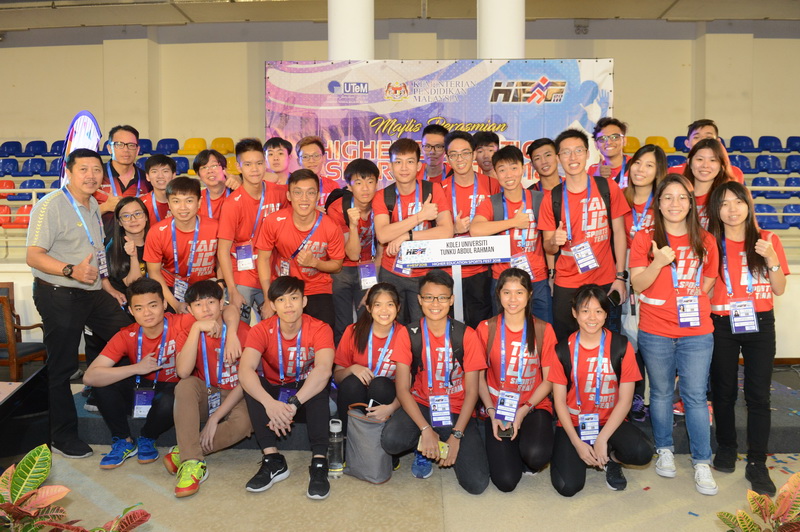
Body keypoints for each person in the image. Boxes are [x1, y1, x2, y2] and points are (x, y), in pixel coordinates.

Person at [27, 148, 134, 459]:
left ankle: (110, 399)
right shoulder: (50, 205)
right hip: (59, 293)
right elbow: (33, 255)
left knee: (128, 334)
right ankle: (61, 435)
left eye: (96, 169)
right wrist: (70, 270)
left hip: (93, 291)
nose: (91, 175)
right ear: (69, 172)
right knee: (63, 367)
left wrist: (105, 284)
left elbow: (95, 250)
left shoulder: (92, 205)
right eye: (84, 169)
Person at [629, 173, 720, 496]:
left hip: (696, 332)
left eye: (682, 197)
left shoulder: (706, 240)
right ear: (658, 204)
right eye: (667, 197)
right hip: (655, 330)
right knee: (661, 393)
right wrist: (658, 263)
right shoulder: (645, 239)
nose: (674, 203)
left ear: (691, 203)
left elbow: (708, 282)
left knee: (695, 396)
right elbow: (637, 285)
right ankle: (664, 449)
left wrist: (687, 298)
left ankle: (702, 461)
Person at [707, 181, 789, 497]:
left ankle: (757, 461)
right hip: (721, 322)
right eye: (724, 203)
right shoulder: (709, 241)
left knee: (758, 395)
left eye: (738, 201)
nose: (732, 209)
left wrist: (772, 259)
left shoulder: (768, 239)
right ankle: (727, 446)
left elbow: (779, 288)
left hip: (760, 323)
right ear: (716, 209)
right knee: (723, 390)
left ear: (748, 205)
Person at [381, 270, 489, 495]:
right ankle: (424, 445)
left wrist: (457, 436)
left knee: (476, 484)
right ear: (419, 300)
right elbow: (402, 389)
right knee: (391, 440)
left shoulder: (466, 335)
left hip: (456, 409)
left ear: (451, 300)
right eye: (429, 297)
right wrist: (425, 429)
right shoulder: (408, 334)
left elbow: (472, 392)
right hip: (422, 404)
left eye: (442, 297)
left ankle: (447, 440)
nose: (435, 303)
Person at [545, 284, 652, 496]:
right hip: (575, 423)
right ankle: (585, 450)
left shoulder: (621, 346)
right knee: (568, 487)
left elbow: (625, 401)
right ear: (574, 313)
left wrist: (602, 439)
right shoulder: (562, 349)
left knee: (642, 452)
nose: (592, 318)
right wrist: (577, 443)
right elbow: (559, 402)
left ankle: (612, 458)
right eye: (585, 311)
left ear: (605, 314)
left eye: (598, 311)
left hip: (610, 421)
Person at [237, 276, 335, 500]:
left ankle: (320, 462)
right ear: (272, 305)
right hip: (276, 392)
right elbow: (244, 370)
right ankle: (273, 459)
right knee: (253, 384)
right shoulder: (261, 329)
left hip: (304, 394)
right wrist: (270, 404)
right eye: (281, 300)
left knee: (318, 384)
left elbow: (324, 369)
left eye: (294, 298)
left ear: (304, 301)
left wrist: (293, 405)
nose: (288, 305)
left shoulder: (320, 328)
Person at [82, 278, 195, 469]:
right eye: (139, 308)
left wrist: (202, 326)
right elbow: (89, 377)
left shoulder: (182, 322)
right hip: (140, 387)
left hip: (170, 391)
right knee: (102, 382)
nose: (147, 313)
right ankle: (123, 440)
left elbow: (224, 311)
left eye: (153, 305)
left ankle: (147, 437)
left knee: (175, 395)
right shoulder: (126, 334)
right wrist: (137, 368)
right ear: (131, 311)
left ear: (164, 304)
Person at [540, 129, 630, 341]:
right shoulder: (552, 198)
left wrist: (620, 276)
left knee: (608, 343)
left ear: (588, 154)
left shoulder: (607, 187)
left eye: (578, 150)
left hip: (605, 280)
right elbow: (548, 247)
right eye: (566, 152)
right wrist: (554, 241)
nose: (573, 157)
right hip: (567, 283)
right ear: (558, 158)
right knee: (566, 343)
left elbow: (619, 233)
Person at [168, 280, 253, 498]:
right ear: (190, 310)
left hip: (236, 393)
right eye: (198, 305)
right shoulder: (188, 332)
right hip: (207, 392)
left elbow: (246, 381)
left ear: (221, 303)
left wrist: (215, 419)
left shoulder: (243, 331)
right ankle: (192, 461)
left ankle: (184, 450)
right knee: (185, 386)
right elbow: (183, 372)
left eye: (211, 302)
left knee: (245, 422)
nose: (205, 309)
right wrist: (196, 329)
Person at [476, 268, 556, 492]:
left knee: (536, 456)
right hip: (497, 408)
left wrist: (522, 411)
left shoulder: (543, 329)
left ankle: (529, 440)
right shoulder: (486, 329)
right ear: (498, 294)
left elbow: (549, 380)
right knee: (506, 481)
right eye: (507, 292)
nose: (513, 299)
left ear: (529, 294)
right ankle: (507, 443)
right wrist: (491, 412)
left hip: (533, 405)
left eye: (519, 292)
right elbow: (479, 379)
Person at [373, 138, 454, 324]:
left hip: (425, 272)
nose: (404, 168)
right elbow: (383, 235)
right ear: (390, 166)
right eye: (398, 162)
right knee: (392, 327)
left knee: (423, 328)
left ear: (418, 166)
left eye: (409, 162)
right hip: (392, 271)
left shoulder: (432, 190)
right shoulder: (383, 196)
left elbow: (446, 231)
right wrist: (420, 216)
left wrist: (407, 236)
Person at [255, 169, 345, 328]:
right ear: (289, 196)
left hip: (318, 288)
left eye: (310, 193)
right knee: (276, 336)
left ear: (318, 196)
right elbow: (263, 259)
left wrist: (315, 263)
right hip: (284, 286)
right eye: (298, 192)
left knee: (324, 333)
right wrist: (268, 298)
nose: (304, 198)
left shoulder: (331, 226)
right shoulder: (273, 221)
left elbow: (337, 265)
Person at [471, 146, 550, 322]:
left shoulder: (539, 199)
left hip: (536, 278)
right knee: (503, 331)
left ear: (523, 168)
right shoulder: (491, 203)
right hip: (502, 280)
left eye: (513, 168)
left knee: (542, 330)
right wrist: (513, 222)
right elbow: (475, 230)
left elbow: (548, 239)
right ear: (495, 173)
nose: (508, 175)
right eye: (502, 170)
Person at [620, 144, 668, 422]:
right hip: (623, 274)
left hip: (654, 273)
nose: (641, 169)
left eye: (649, 165)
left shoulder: (663, 201)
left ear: (658, 171)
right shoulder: (619, 198)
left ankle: (657, 396)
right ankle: (635, 395)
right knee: (628, 336)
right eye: (638, 163)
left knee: (653, 334)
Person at [217, 138, 288, 324]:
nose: (254, 169)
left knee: (275, 329)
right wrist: (232, 290)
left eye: (259, 163)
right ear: (238, 167)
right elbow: (223, 250)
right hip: (242, 278)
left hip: (272, 274)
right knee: (241, 328)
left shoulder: (280, 193)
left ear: (265, 164)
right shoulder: (232, 204)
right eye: (248, 164)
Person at [441, 131, 500, 328]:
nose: (460, 159)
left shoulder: (492, 185)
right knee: (450, 329)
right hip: (448, 269)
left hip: (482, 270)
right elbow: (433, 231)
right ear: (447, 158)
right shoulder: (439, 189)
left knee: (481, 327)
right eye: (454, 154)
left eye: (465, 153)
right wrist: (453, 229)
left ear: (474, 154)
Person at [333, 283, 401, 437]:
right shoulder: (353, 331)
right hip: (357, 395)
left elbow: (409, 385)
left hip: (388, 399)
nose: (384, 310)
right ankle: (348, 439)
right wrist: (352, 369)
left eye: (390, 304)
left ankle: (380, 441)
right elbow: (337, 377)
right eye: (378, 305)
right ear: (369, 308)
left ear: (398, 307)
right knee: (351, 383)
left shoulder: (405, 335)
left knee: (380, 384)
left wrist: (392, 407)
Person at [327, 158, 383, 343]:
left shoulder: (383, 205)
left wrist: (375, 280)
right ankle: (341, 359)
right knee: (342, 322)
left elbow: (382, 248)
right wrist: (353, 225)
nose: (365, 188)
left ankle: (364, 356)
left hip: (369, 267)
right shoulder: (338, 208)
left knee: (366, 319)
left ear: (377, 183)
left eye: (370, 182)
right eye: (358, 183)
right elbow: (351, 254)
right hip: (342, 268)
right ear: (349, 186)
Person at [144, 176, 219, 314]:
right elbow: (154, 271)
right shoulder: (157, 232)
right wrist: (175, 304)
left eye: (189, 201)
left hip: (207, 286)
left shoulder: (215, 227)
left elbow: (222, 261)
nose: (183, 207)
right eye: (176, 201)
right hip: (170, 288)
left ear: (199, 202)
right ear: (169, 203)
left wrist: (220, 286)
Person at [96, 125, 151, 220]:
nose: (126, 150)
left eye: (131, 145)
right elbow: (79, 215)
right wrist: (105, 207)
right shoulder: (95, 175)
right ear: (109, 148)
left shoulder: (147, 179)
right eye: (119, 144)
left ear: (137, 150)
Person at [668, 119, 745, 184]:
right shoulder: (674, 172)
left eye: (708, 137)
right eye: (696, 137)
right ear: (687, 143)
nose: (703, 141)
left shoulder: (734, 172)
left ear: (718, 142)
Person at [683, 138, 732, 229]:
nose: (705, 165)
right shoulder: (678, 195)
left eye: (713, 160)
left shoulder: (728, 196)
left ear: (722, 165)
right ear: (689, 162)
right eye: (700, 159)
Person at [106, 196, 150, 294]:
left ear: (146, 216)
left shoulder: (155, 240)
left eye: (137, 214)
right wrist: (133, 257)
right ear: (120, 222)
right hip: (125, 297)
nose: (133, 219)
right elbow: (133, 284)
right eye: (126, 216)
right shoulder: (114, 247)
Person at [295, 136, 341, 205]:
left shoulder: (333, 186)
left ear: (324, 158)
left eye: (316, 156)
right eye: (305, 157)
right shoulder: (292, 186)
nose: (311, 160)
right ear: (298, 161)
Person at [588, 118, 631, 187]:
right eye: (602, 139)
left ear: (624, 141)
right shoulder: (594, 170)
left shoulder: (635, 165)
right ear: (596, 145)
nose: (608, 142)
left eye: (615, 137)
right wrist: (596, 178)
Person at [196, 149, 237, 220]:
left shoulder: (238, 194)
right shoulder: (196, 199)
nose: (210, 171)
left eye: (214, 166)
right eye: (204, 167)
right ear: (198, 175)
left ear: (225, 169)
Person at [140, 154, 175, 223]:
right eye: (154, 171)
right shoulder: (140, 204)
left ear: (173, 175)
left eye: (165, 171)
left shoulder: (184, 203)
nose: (160, 176)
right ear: (147, 176)